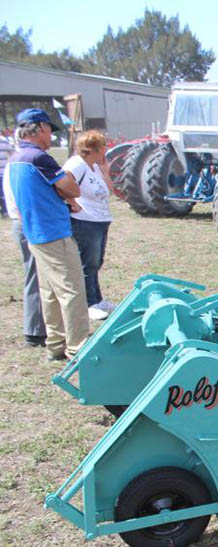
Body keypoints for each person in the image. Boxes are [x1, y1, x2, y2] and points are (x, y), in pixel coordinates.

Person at [7, 108, 89, 361]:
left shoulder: (15, 158)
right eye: (49, 131)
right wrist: (66, 194)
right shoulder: (40, 158)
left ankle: (56, 344)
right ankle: (78, 348)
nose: (51, 137)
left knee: (50, 293)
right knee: (72, 290)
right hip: (53, 232)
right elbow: (72, 189)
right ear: (40, 128)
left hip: (34, 233)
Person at [63, 131, 116, 321]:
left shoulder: (93, 167)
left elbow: (109, 189)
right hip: (85, 221)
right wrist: (72, 202)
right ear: (93, 148)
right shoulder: (76, 164)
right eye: (103, 146)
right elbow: (62, 182)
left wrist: (105, 170)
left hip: (100, 220)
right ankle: (88, 304)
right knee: (87, 263)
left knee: (96, 262)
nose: (106, 150)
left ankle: (97, 299)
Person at [3, 141, 47, 347]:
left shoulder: (14, 162)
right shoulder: (23, 163)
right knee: (36, 275)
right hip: (28, 222)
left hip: (23, 222)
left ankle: (39, 327)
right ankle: (35, 331)